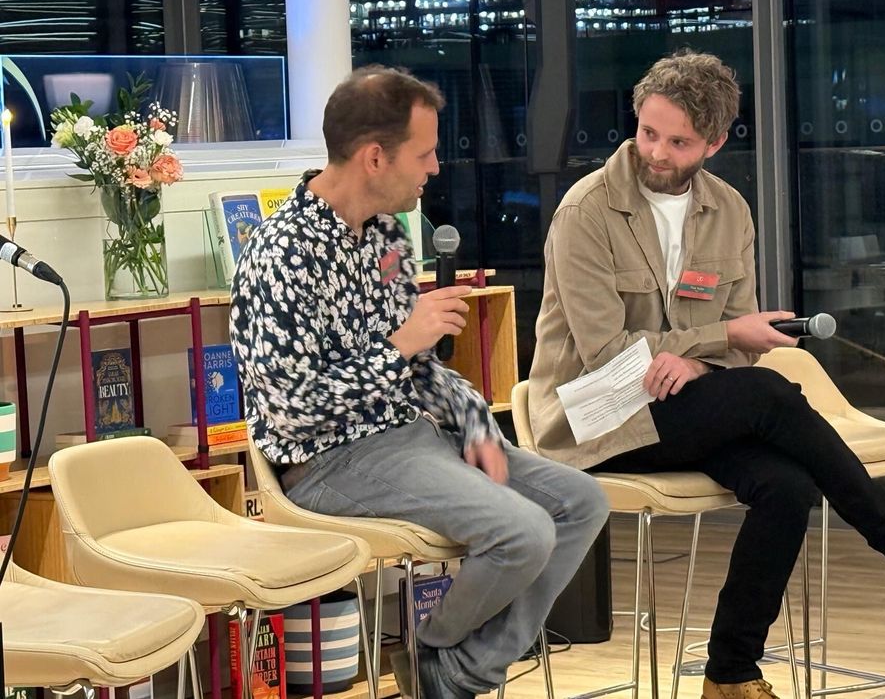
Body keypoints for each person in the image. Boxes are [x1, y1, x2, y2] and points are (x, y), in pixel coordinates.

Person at [528, 50, 885, 699]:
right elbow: (612, 352)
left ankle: (730, 674)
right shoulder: (586, 212)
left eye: (679, 141)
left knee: (787, 485)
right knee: (771, 391)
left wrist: (701, 354)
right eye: (647, 132)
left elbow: (735, 346)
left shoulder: (729, 212)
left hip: (690, 406)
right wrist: (717, 338)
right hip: (597, 415)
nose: (656, 153)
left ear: (715, 143)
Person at [229, 65, 608, 699]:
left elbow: (422, 369)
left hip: (413, 437)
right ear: (375, 157)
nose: (435, 167)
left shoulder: (385, 236)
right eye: (425, 153)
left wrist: (477, 426)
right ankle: (442, 661)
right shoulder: (279, 254)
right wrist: (398, 344)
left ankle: (453, 669)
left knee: (580, 503)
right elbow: (291, 408)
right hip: (328, 462)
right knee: (525, 531)